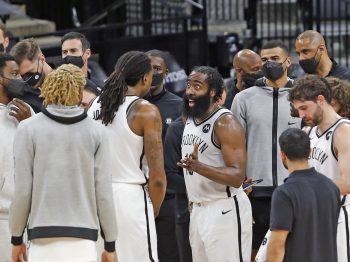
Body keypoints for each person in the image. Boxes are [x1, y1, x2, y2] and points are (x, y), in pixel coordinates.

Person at [9, 64, 117, 262]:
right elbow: (103, 193)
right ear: (79, 92)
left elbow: (23, 190)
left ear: (48, 88)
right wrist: (110, 244)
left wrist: (16, 239)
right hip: (83, 240)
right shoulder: (98, 132)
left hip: (42, 239)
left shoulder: (27, 128)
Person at [88, 51, 167, 261]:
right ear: (145, 78)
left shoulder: (93, 105)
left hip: (95, 198)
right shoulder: (145, 111)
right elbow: (158, 178)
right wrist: (153, 209)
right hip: (129, 197)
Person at [231, 40, 301, 258]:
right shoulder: (243, 98)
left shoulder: (302, 96)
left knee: (293, 250)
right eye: (264, 60)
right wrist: (239, 187)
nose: (269, 63)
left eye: (275, 59)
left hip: (294, 188)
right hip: (255, 192)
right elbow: (234, 147)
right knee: (254, 252)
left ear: (288, 61)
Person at [178, 66, 252, 262]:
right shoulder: (190, 119)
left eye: (197, 86)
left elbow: (237, 177)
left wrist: (199, 167)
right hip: (198, 209)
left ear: (212, 92)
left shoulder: (226, 123)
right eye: (188, 85)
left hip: (223, 209)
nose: (190, 91)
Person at [290, 74, 350, 262]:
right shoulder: (308, 132)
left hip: (340, 213)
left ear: (321, 100)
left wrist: (305, 191)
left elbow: (347, 182)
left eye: (304, 108)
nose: (301, 115)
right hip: (314, 211)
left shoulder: (344, 131)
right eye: (297, 110)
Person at [267, 128, 340, 262]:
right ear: (310, 152)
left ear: (282, 155)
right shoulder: (332, 188)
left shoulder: (284, 193)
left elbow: (277, 244)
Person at [145, 49, 182, 262]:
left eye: (157, 69)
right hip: (138, 192)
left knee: (169, 254)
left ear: (166, 73)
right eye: (148, 68)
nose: (152, 73)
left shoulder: (178, 106)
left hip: (169, 196)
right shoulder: (127, 105)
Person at [0, 53, 33, 262]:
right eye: (14, 74)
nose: (20, 80)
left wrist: (29, 123)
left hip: (28, 215)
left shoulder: (26, 110)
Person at [61, 31, 103, 108]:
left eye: (73, 51)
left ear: (87, 53)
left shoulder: (101, 86)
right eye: (65, 52)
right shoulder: (57, 87)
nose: (68, 55)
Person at [10, 38, 53, 112]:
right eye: (22, 76)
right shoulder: (24, 96)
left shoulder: (69, 84)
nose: (27, 80)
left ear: (42, 59)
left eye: (29, 73)